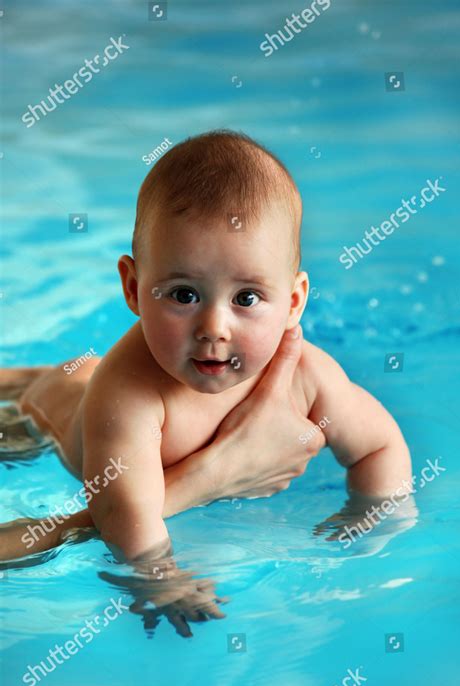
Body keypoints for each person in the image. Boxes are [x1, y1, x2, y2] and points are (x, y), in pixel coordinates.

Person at [0, 130, 412, 634]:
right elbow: (123, 508)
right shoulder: (130, 390)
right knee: (19, 432)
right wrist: (160, 577)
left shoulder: (308, 375)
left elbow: (380, 445)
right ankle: (24, 386)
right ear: (133, 288)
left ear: (294, 301)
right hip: (55, 414)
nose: (215, 327)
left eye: (246, 298)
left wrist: (369, 522)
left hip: (81, 381)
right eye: (184, 294)